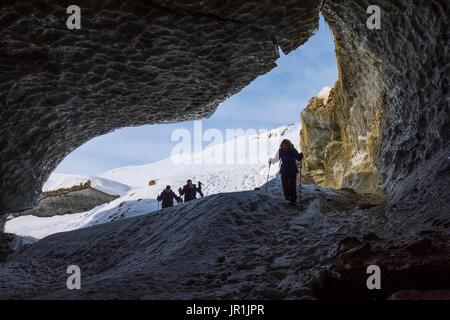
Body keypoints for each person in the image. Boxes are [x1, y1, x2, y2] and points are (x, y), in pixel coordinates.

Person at [269, 139, 303, 205]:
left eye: (286, 144)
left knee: (292, 185)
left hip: (291, 170)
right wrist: (271, 161)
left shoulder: (292, 150)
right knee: (285, 185)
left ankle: (292, 199)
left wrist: (300, 155)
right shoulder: (281, 151)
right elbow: (276, 159)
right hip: (286, 170)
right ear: (282, 145)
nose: (285, 145)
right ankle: (288, 198)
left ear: (289, 144)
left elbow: (298, 158)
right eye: (284, 144)